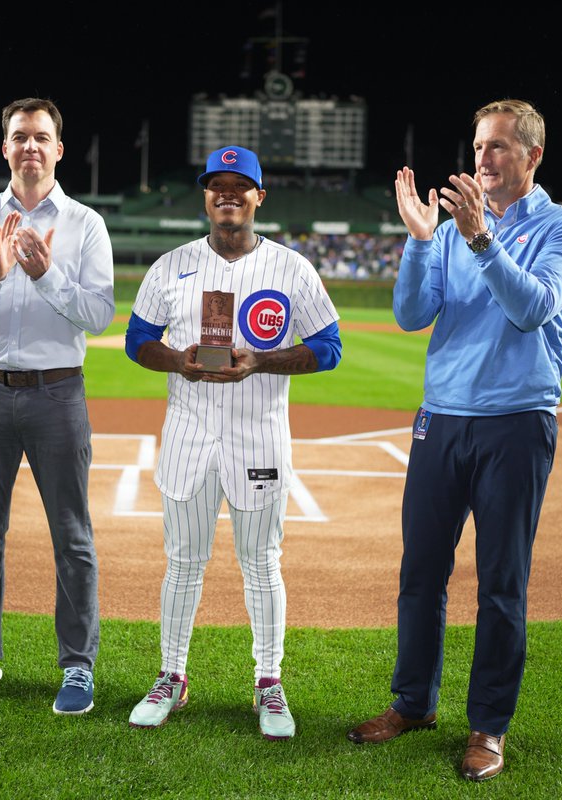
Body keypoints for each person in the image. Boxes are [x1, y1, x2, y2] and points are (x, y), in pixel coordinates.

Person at [346, 99, 562, 781]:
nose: (482, 159)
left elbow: (534, 307)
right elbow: (410, 315)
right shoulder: (451, 228)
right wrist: (424, 239)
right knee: (420, 571)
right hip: (441, 418)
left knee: (501, 584)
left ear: (533, 156)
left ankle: (488, 727)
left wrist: (482, 238)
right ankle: (413, 703)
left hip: (517, 420)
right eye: (479, 147)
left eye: (499, 148)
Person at [124, 145, 342, 740]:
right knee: (183, 564)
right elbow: (137, 338)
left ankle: (268, 683)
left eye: (238, 186)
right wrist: (177, 360)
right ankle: (172, 675)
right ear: (205, 197)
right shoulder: (171, 265)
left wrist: (263, 361)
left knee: (262, 565)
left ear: (258, 197)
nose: (227, 195)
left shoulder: (292, 269)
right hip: (190, 438)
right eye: (216, 185)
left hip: (259, 439)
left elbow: (329, 347)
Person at [0, 97, 114, 715]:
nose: (30, 146)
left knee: (73, 538)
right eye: (18, 136)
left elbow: (100, 312)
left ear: (58, 149)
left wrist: (45, 277)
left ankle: (78, 667)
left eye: (41, 137)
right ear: (5, 147)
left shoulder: (86, 224)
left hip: (58, 393)